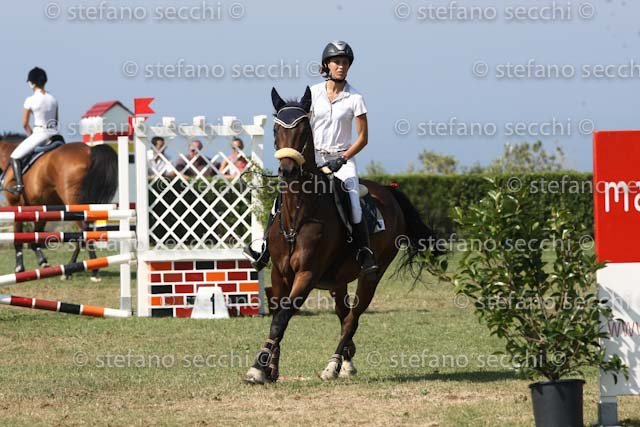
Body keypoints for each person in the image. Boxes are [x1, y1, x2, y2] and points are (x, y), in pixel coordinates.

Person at [245, 41, 378, 276]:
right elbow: (300, 126)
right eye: (337, 62)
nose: (341, 66)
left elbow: (363, 138)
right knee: (283, 195)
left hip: (342, 160)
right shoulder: (314, 93)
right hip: (312, 158)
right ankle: (264, 248)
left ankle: (363, 253)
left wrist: (342, 158)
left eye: (345, 62)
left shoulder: (356, 98)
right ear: (326, 65)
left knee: (354, 203)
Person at [8, 67, 59, 194]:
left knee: (14, 157)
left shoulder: (30, 100)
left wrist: (31, 135)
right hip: (55, 135)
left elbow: (25, 124)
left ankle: (19, 186)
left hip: (40, 134)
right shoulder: (53, 99)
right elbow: (56, 120)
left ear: (32, 83)